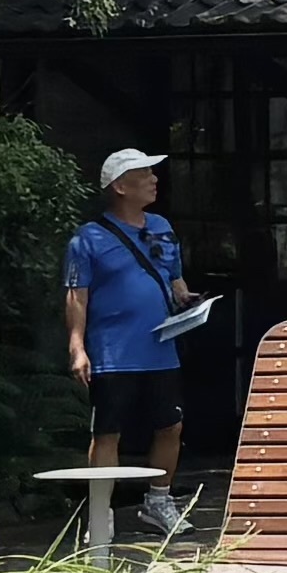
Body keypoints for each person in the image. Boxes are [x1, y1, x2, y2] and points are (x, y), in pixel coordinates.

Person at [62, 147, 197, 546]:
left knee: (171, 424)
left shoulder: (161, 226)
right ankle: (100, 513)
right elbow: (76, 294)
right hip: (112, 351)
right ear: (120, 186)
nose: (155, 179)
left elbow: (174, 278)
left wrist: (185, 298)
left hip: (161, 347)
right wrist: (76, 346)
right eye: (146, 174)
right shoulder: (87, 239)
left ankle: (158, 501)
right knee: (107, 432)